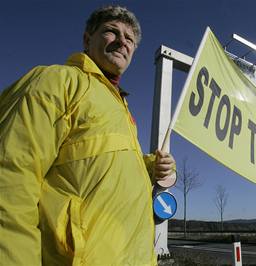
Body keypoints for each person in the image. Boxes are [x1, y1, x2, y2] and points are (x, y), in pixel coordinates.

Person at [0, 5, 175, 265]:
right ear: (87, 39)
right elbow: (11, 177)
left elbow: (100, 165)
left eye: (129, 39)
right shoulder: (56, 81)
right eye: (111, 31)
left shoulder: (121, 108)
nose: (121, 42)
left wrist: (152, 166)